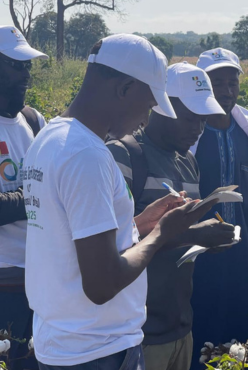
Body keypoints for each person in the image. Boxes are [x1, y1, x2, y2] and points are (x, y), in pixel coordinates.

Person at [22, 34, 216, 370]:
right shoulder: (88, 156)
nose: (146, 118)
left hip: (65, 341)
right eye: (148, 104)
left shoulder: (50, 138)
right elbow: (102, 284)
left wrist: (139, 224)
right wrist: (161, 235)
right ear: (125, 89)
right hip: (98, 351)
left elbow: (74, 241)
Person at [107, 62, 236, 370]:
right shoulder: (123, 155)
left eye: (203, 119)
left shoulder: (189, 162)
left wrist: (207, 239)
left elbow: (179, 239)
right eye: (190, 117)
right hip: (138, 334)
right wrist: (193, 235)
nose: (198, 128)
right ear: (162, 106)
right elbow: (113, 244)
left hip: (180, 326)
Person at [188, 47, 248, 359]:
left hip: (246, 259)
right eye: (216, 83)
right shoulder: (189, 132)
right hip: (201, 261)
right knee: (203, 340)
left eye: (232, 83)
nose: (226, 91)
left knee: (244, 343)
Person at [0, 25, 48, 370]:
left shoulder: (34, 120)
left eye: (27, 65)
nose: (25, 73)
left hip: (40, 279)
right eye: (16, 65)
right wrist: (33, 192)